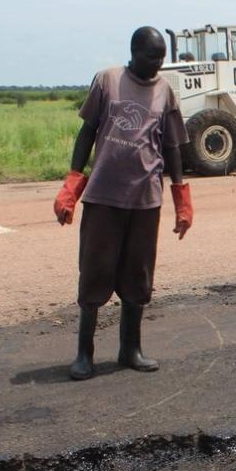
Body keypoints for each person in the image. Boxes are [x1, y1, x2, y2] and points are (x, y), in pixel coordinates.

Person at [55, 26, 192, 380]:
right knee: (95, 272)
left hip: (145, 200)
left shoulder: (165, 91)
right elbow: (87, 132)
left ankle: (131, 350)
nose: (158, 63)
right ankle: (84, 354)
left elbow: (173, 147)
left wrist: (181, 198)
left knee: (138, 276)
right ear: (133, 52)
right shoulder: (107, 81)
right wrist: (72, 184)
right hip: (104, 196)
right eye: (151, 56)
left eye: (162, 57)